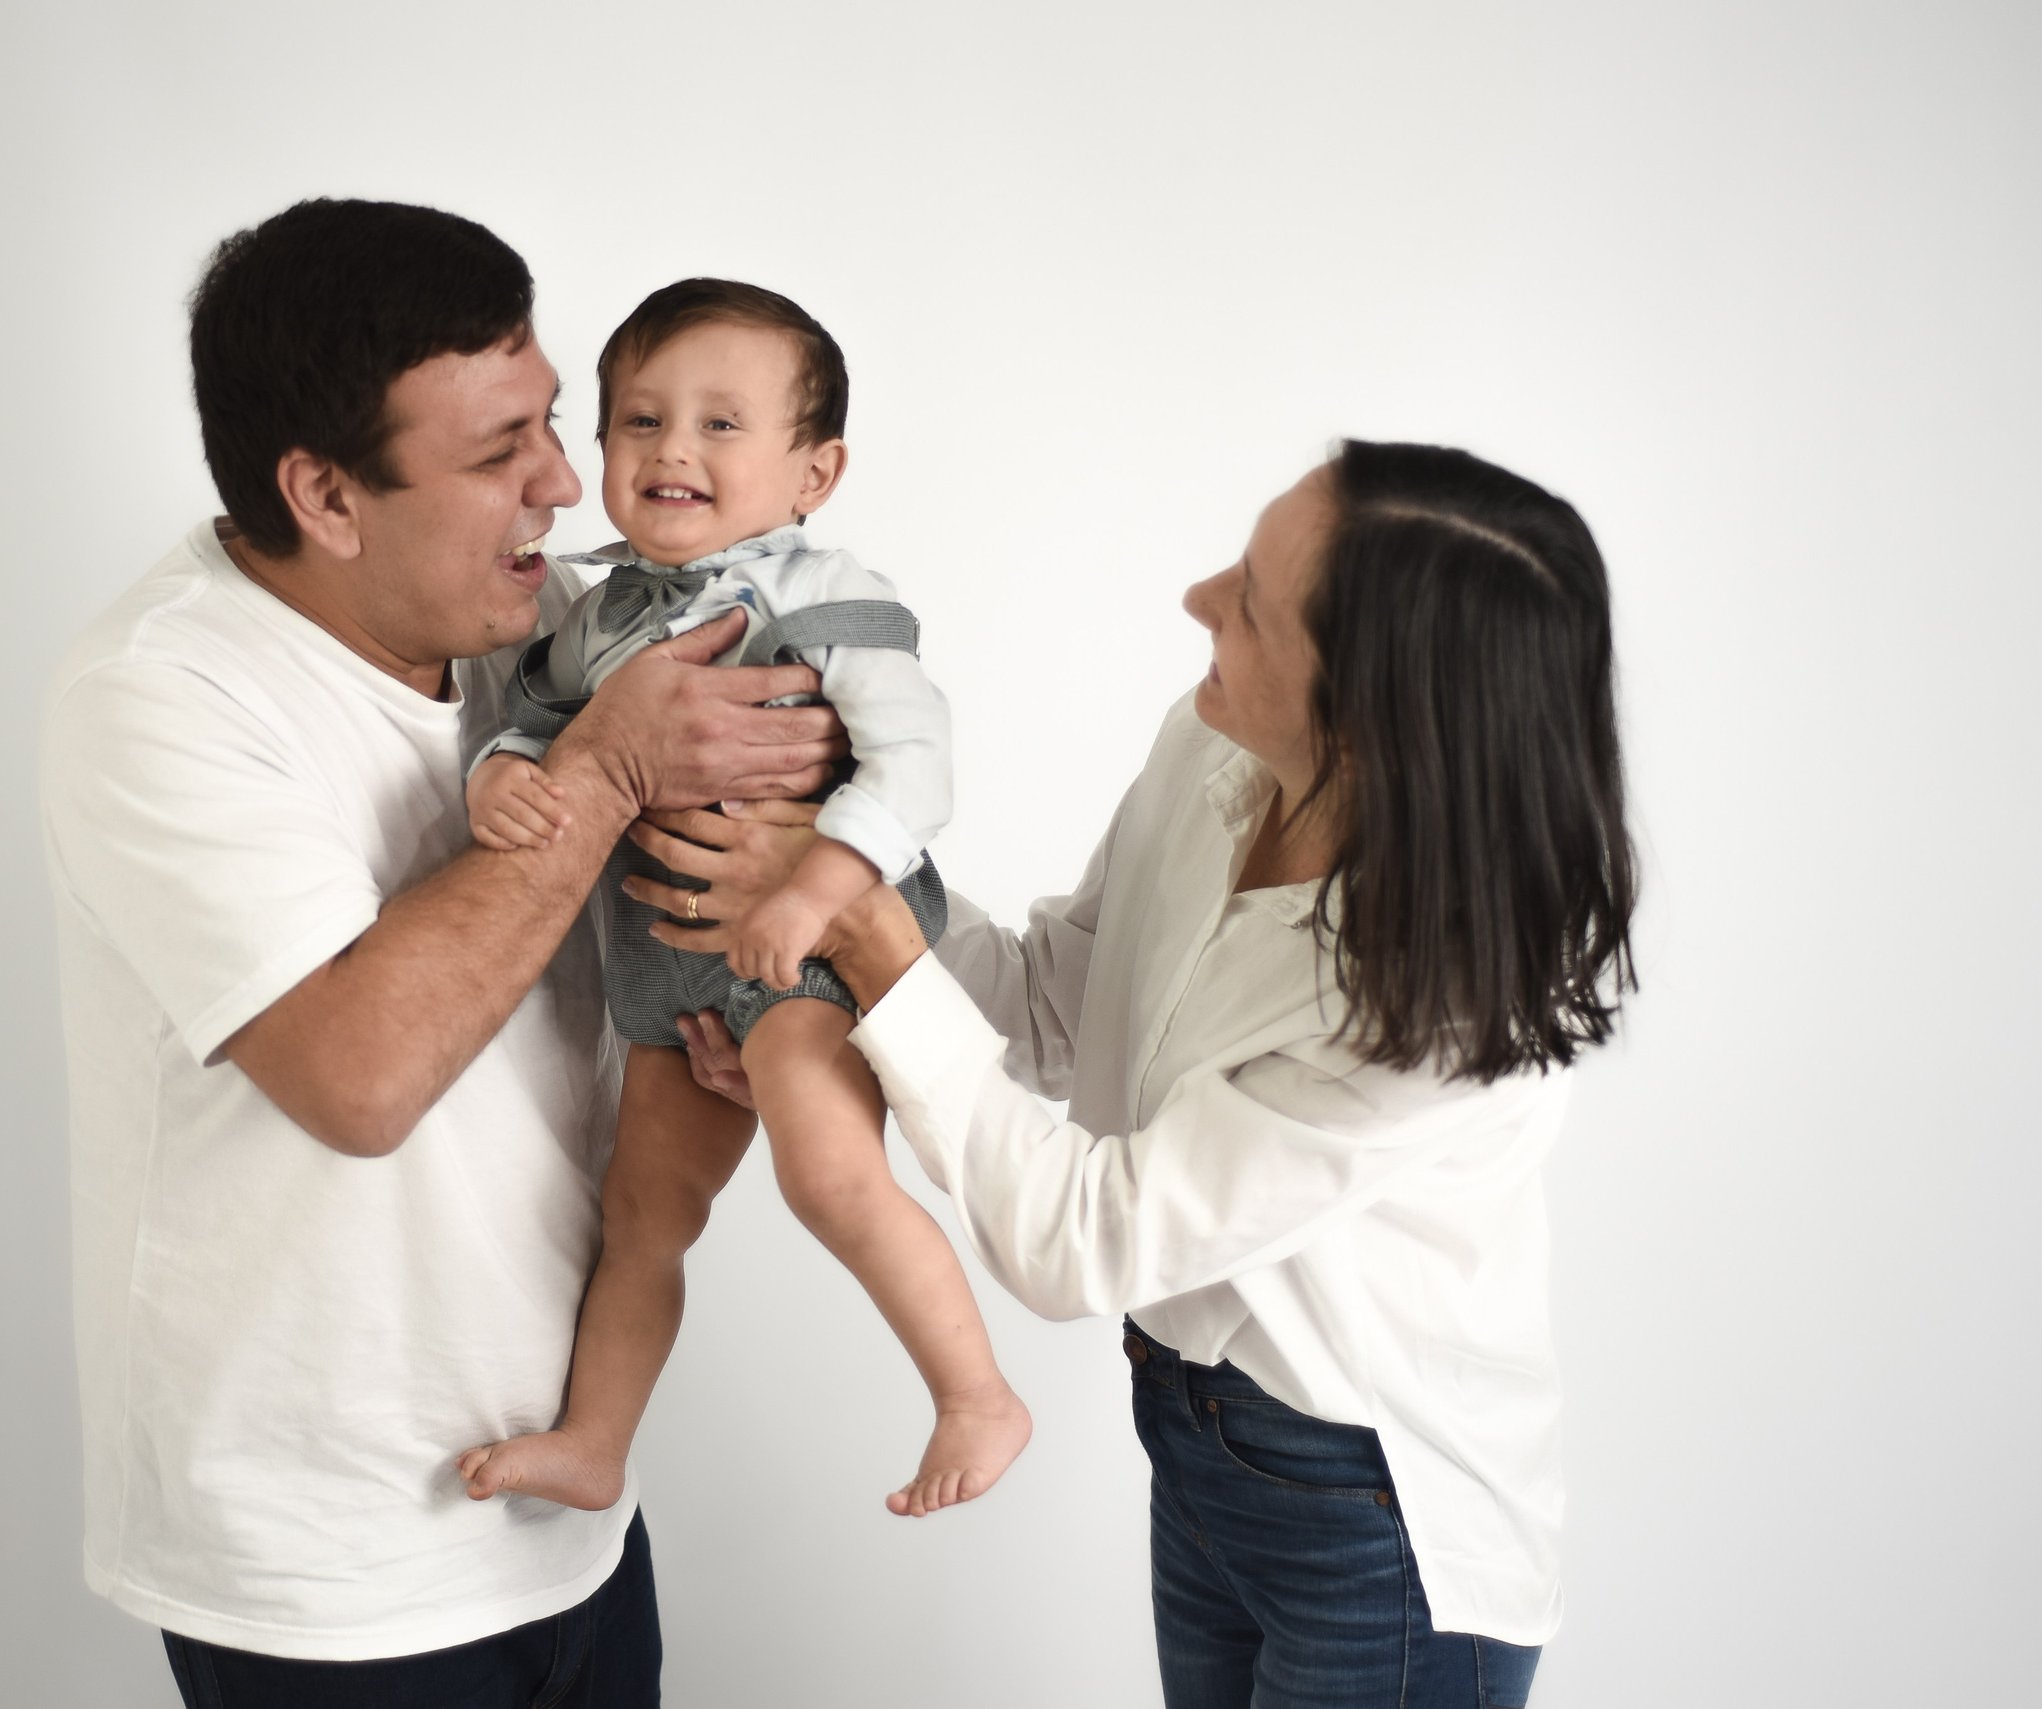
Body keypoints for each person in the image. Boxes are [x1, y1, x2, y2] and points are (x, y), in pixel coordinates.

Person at [631, 443, 1636, 1708]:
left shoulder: (1439, 1008)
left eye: (1250, 604)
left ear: (1368, 712)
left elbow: (1083, 1242)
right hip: (1196, 1436)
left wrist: (873, 946)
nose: (1196, 598)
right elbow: (1058, 1004)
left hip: (1380, 1526)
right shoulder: (1216, 747)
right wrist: (837, 878)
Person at [37, 199, 843, 1706]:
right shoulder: (160, 695)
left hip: (569, 1510)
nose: (564, 482)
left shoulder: (552, 628)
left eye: (552, 422)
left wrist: (767, 982)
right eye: (496, 454)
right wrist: (608, 769)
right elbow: (359, 1078)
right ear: (326, 495)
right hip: (331, 1572)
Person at [451, 280, 1028, 1521]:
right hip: (667, 965)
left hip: (811, 952)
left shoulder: (823, 594)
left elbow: (916, 765)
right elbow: (538, 724)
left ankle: (976, 1392)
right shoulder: (597, 612)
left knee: (827, 1177)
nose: (672, 449)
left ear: (814, 470)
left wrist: (813, 892)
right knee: (640, 1209)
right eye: (640, 420)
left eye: (721, 423)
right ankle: (595, 1439)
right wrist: (501, 772)